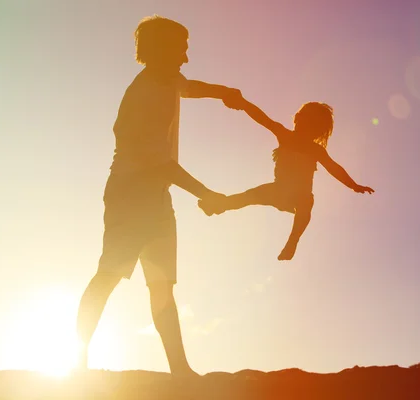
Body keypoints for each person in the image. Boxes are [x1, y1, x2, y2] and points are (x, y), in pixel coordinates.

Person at [75, 15, 241, 378]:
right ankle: (76, 361)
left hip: (157, 197)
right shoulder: (146, 92)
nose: (185, 57)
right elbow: (160, 164)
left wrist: (224, 92)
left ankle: (180, 370)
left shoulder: (167, 80)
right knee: (108, 275)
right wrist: (207, 194)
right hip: (130, 194)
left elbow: (189, 86)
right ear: (161, 49)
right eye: (181, 49)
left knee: (162, 284)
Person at [198, 97, 375, 261]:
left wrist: (353, 185)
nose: (301, 122)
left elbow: (334, 168)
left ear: (316, 130)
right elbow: (262, 118)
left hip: (299, 196)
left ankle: (293, 241)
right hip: (278, 190)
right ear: (297, 119)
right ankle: (219, 205)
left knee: (307, 202)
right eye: (301, 118)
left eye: (309, 123)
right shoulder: (285, 135)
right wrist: (243, 103)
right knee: (248, 196)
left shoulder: (316, 150)